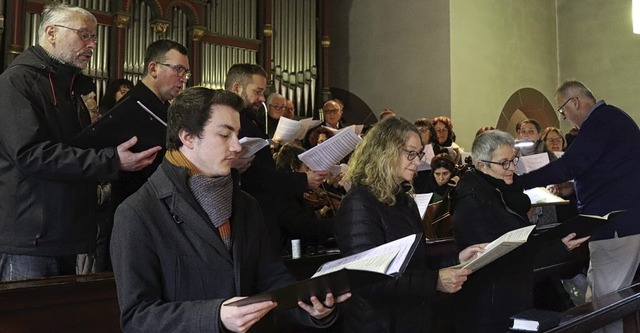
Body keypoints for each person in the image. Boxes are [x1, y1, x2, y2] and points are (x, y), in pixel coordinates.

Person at [110, 87, 349, 332]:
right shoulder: (137, 213)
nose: (237, 147)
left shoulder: (245, 204)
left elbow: (272, 278)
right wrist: (215, 317)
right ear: (187, 137)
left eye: (237, 134)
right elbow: (137, 318)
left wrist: (313, 309)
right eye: (225, 135)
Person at [0, 3, 159, 281]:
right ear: (51, 33)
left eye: (94, 37)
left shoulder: (70, 88)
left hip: (62, 231)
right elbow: (31, 154)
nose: (93, 44)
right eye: (84, 35)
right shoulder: (16, 82)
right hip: (29, 239)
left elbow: (77, 147)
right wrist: (112, 159)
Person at [334, 116, 484, 332]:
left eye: (419, 153)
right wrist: (435, 282)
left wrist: (456, 259)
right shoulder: (359, 202)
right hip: (379, 323)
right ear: (384, 151)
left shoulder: (403, 199)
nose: (417, 161)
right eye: (410, 153)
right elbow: (368, 281)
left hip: (412, 318)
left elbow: (416, 263)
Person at [519, 80, 640, 333]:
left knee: (607, 305)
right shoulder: (611, 118)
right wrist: (571, 188)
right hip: (619, 222)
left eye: (563, 111)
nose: (564, 118)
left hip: (615, 225)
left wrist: (520, 182)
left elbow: (570, 165)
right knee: (600, 299)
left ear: (575, 101)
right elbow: (603, 170)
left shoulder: (600, 122)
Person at [450, 130, 589, 333]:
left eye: (514, 160)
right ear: (481, 165)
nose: (512, 168)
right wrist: (557, 248)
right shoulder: (472, 201)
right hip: (488, 304)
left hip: (510, 293)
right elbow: (499, 256)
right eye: (504, 162)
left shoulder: (503, 192)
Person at [225, 63, 327, 254]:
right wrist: (303, 179)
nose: (262, 99)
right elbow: (258, 177)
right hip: (248, 218)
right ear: (237, 88)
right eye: (257, 91)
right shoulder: (235, 123)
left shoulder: (248, 120)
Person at [274, 143, 337, 254]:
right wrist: (340, 224)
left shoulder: (292, 193)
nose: (311, 172)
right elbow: (305, 228)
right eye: (307, 168)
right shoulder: (282, 195)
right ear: (294, 166)